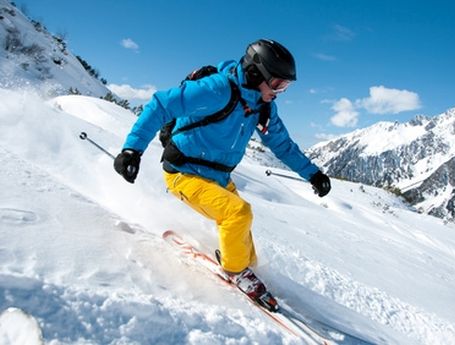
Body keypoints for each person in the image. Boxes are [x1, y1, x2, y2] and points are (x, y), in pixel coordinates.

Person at [114, 39, 331, 309]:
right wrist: (132, 150)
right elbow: (161, 104)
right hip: (184, 172)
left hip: (218, 177)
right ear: (255, 73)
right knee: (238, 213)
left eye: (285, 87)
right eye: (277, 84)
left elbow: (282, 144)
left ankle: (242, 266)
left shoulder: (263, 106)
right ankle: (235, 271)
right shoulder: (217, 90)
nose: (279, 92)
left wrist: (313, 174)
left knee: (246, 248)